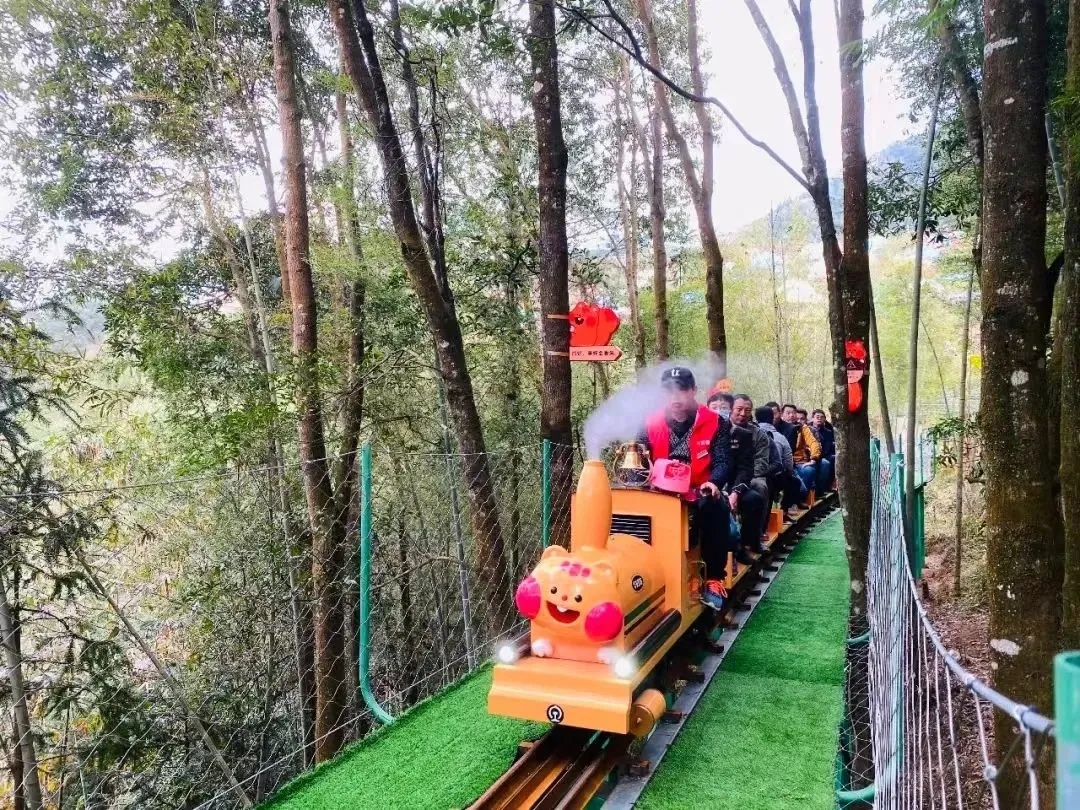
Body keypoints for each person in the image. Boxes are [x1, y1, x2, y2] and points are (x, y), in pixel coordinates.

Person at [639, 367, 732, 610]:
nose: (675, 397)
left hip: (699, 488)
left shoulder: (716, 421)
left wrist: (714, 482)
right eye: (669, 391)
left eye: (682, 390)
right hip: (659, 490)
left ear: (693, 391)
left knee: (715, 507)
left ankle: (713, 578)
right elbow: (639, 458)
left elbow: (723, 461)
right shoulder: (648, 422)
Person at [730, 394, 772, 546]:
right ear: (731, 409)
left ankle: (755, 536)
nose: (743, 414)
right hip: (726, 475)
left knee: (760, 486)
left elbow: (762, 462)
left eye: (747, 410)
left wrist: (745, 478)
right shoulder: (722, 429)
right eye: (739, 409)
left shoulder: (759, 434)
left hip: (752, 475)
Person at [756, 405, 804, 518]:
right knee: (794, 482)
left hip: (749, 476)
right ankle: (784, 511)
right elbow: (788, 463)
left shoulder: (749, 433)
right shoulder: (780, 437)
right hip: (772, 477)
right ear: (771, 418)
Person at [782, 403, 822, 499]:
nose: (791, 415)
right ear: (782, 414)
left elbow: (813, 442)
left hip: (799, 462)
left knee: (809, 470)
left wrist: (813, 458)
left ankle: (800, 498)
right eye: (788, 413)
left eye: (793, 413)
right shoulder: (778, 427)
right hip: (783, 463)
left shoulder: (802, 428)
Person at [811, 409, 836, 492]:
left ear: (824, 419)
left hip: (825, 454)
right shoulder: (808, 429)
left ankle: (827, 485)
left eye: (822, 417)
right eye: (817, 417)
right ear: (812, 418)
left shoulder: (828, 432)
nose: (819, 419)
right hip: (811, 455)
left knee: (832, 459)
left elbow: (829, 446)